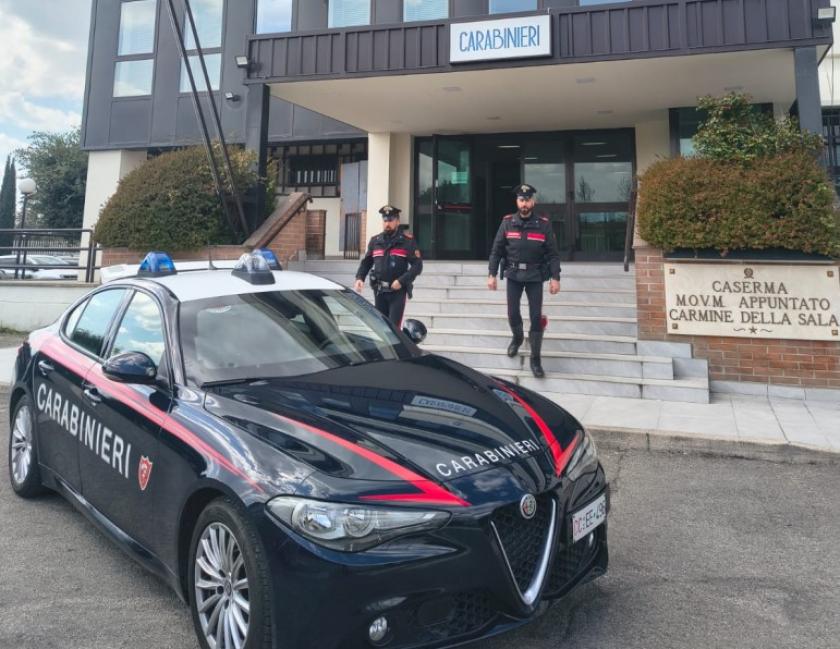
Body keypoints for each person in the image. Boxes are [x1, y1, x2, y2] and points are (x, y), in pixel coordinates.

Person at [487, 184, 561, 378]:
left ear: (533, 202)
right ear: (517, 202)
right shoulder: (507, 223)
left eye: (527, 200)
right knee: (513, 313)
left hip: (535, 276)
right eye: (521, 200)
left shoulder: (543, 225)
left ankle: (535, 359)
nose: (524, 204)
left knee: (536, 317)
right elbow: (496, 250)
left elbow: (553, 254)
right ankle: (517, 338)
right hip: (513, 275)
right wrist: (491, 274)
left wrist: (555, 277)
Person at [354, 205, 423, 326]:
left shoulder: (407, 242)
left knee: (393, 328)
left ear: (397, 221)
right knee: (381, 327)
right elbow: (367, 262)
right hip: (379, 291)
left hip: (397, 292)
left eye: (390, 220)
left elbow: (417, 265)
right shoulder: (375, 241)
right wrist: (360, 278)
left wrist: (401, 281)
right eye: (385, 220)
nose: (387, 223)